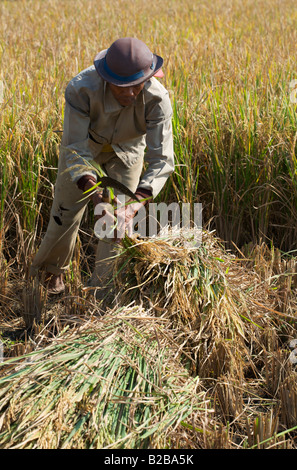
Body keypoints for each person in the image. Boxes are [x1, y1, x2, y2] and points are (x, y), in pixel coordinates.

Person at [29, 37, 174, 295]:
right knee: (64, 213)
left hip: (128, 150)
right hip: (87, 147)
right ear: (106, 79)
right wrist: (96, 198)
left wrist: (131, 206)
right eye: (122, 87)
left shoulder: (157, 99)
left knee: (117, 224)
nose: (130, 93)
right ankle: (51, 276)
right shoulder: (81, 89)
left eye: (137, 85)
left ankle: (103, 290)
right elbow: (74, 148)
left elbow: (161, 159)